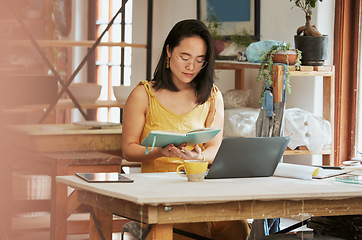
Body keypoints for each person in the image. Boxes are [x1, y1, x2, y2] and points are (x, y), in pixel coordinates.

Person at [121, 19, 250, 240]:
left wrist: (199, 156)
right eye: (185, 58)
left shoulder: (212, 96)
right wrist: (159, 152)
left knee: (237, 225)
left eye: (200, 60)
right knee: (194, 229)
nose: (191, 67)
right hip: (158, 195)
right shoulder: (143, 94)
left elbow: (214, 148)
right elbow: (128, 150)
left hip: (198, 191)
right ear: (169, 52)